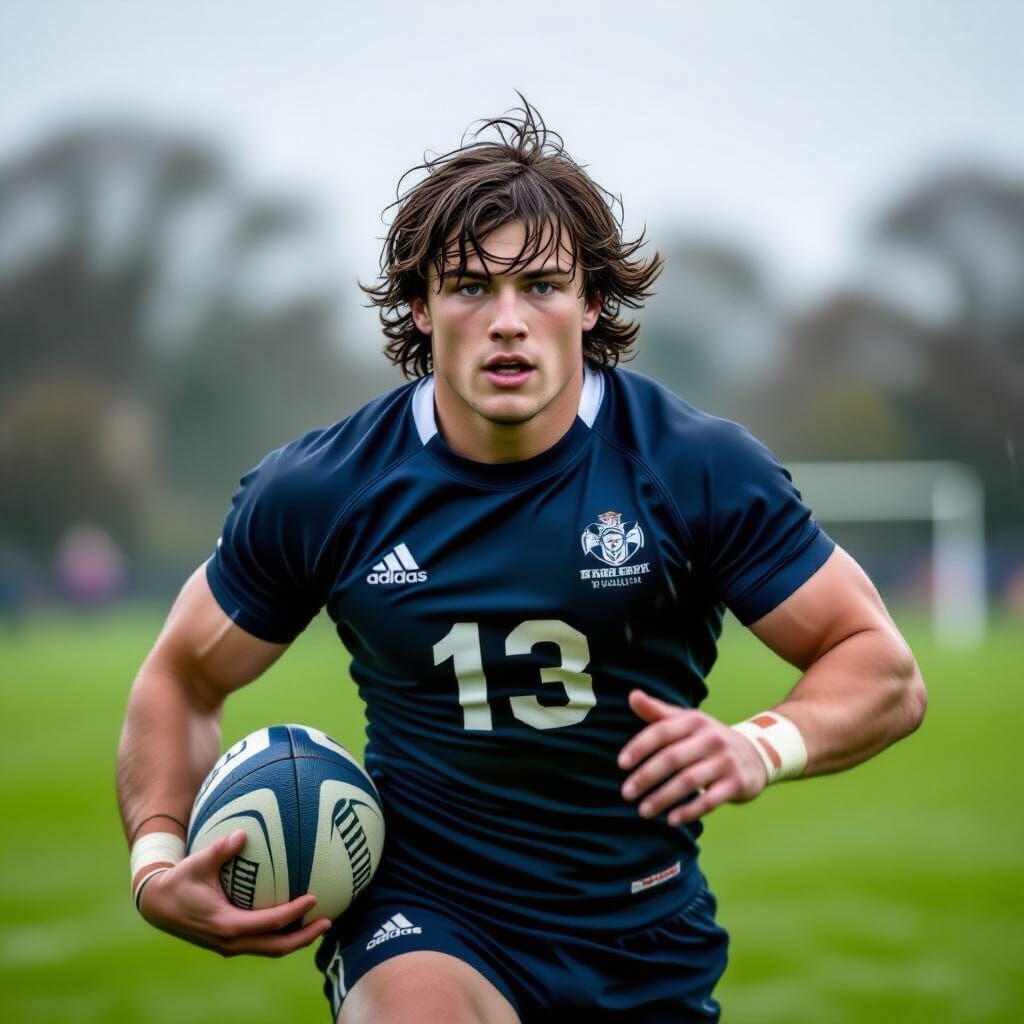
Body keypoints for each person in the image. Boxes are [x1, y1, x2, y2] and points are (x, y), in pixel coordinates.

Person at [117, 99, 927, 1023]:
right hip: (425, 914)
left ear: (590, 301)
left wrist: (758, 743)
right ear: (420, 305)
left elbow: (884, 670)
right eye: (470, 286)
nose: (508, 320)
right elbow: (179, 677)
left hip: (641, 932)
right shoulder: (325, 490)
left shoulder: (692, 469)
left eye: (541, 285)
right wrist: (153, 864)